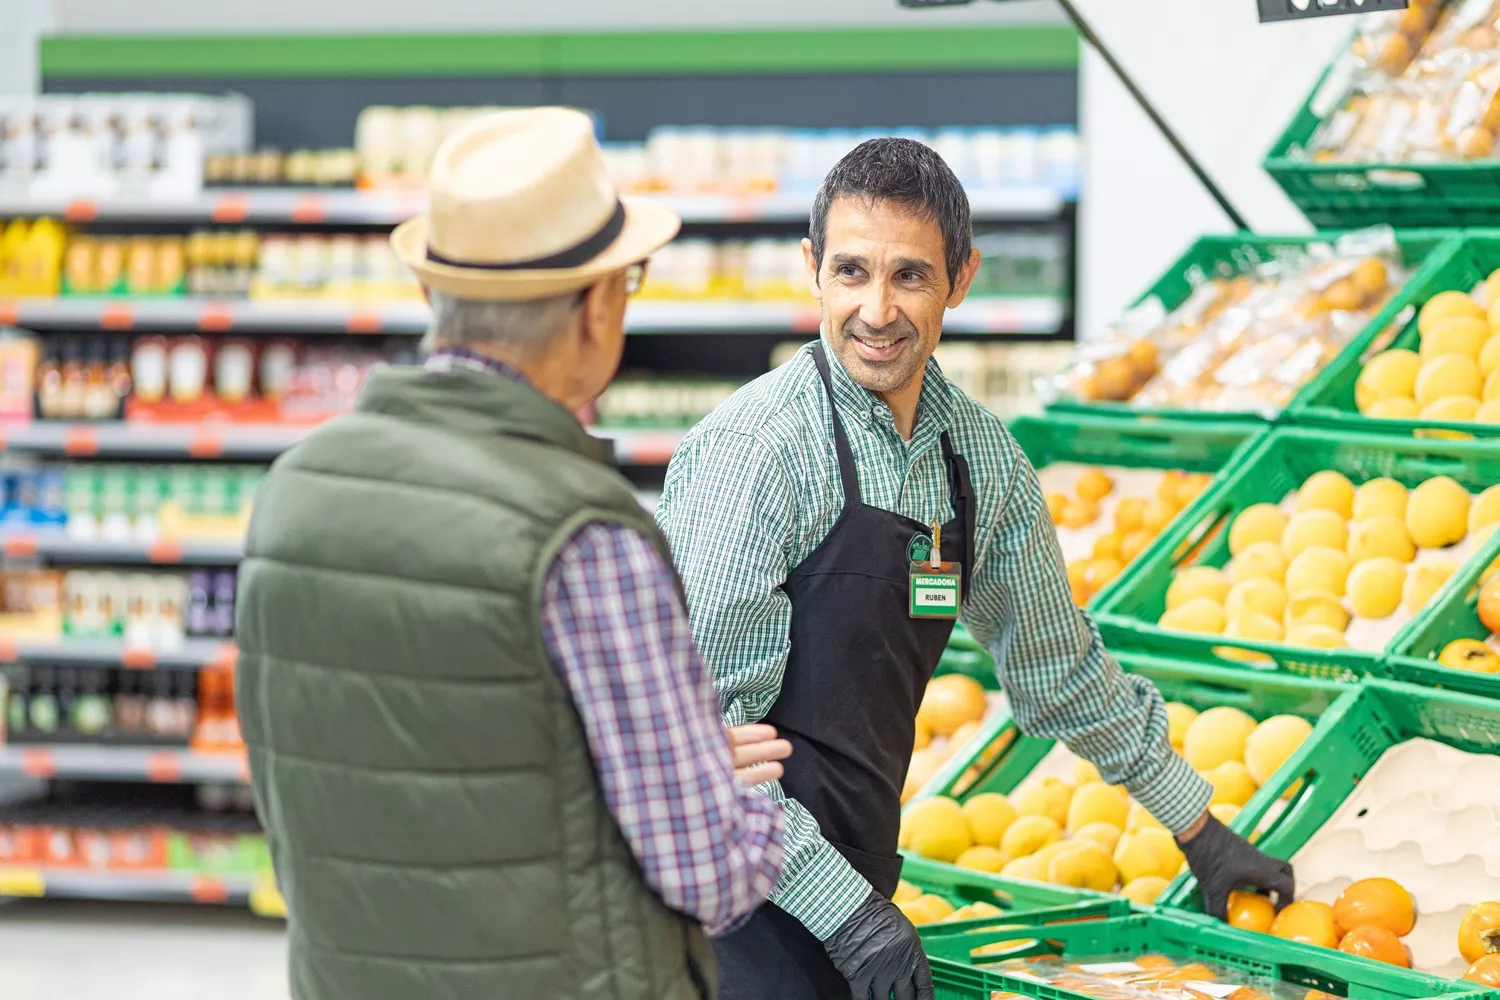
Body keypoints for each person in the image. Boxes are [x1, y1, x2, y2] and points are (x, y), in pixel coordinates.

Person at [656, 137, 1293, 1000]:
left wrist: (1198, 826)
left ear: (961, 279)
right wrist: (850, 914)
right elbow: (704, 754)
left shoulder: (980, 463)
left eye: (909, 276)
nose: (876, 309)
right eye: (850, 272)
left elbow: (1059, 668)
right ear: (812, 271)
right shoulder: (759, 453)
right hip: (717, 906)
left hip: (852, 881)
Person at [235, 107, 789, 1000]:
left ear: (432, 297)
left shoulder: (294, 492)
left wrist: (638, 763)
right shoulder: (583, 535)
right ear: (600, 305)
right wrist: (707, 784)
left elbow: (401, 774)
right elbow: (712, 875)